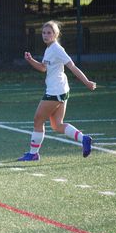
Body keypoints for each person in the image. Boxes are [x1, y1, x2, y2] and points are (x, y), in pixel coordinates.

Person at [17, 20, 96, 161]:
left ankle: (33, 153)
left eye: (49, 33)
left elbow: (72, 67)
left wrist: (87, 82)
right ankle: (84, 139)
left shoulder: (57, 49)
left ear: (56, 34)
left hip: (55, 91)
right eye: (44, 32)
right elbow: (43, 68)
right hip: (60, 90)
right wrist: (31, 60)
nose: (45, 35)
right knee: (57, 125)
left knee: (38, 120)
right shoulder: (49, 49)